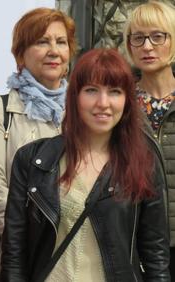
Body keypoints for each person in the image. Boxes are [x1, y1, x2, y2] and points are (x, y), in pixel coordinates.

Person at [0, 48, 170, 281]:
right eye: (91, 90)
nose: (103, 103)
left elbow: (155, 257)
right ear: (74, 96)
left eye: (115, 92)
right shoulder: (33, 160)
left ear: (127, 101)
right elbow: (14, 255)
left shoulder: (143, 163)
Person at [0, 7, 76, 281]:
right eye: (42, 41)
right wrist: (37, 244)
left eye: (61, 42)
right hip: (9, 261)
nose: (53, 50)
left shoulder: (81, 113)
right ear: (21, 53)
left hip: (68, 260)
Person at [123, 1, 175, 277]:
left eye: (158, 36)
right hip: (134, 243)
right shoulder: (117, 104)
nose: (147, 46)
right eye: (138, 37)